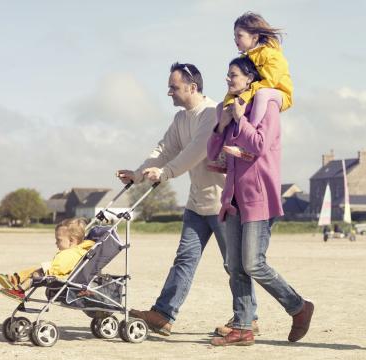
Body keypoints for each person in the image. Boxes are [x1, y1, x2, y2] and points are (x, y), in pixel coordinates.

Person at [116, 62, 258, 336]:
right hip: (196, 204)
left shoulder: (211, 112)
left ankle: (248, 318)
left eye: (174, 87)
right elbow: (164, 149)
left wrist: (166, 173)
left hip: (223, 203)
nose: (169, 92)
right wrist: (138, 174)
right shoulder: (181, 119)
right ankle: (163, 314)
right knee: (184, 259)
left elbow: (198, 150)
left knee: (234, 264)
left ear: (192, 87)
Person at [207, 57, 313, 346]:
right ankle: (243, 327)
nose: (229, 80)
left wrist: (241, 119)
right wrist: (222, 125)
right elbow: (212, 155)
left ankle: (299, 307)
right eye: (227, 75)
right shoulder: (227, 110)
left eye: (234, 75)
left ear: (250, 78)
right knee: (235, 264)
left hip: (259, 196)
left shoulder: (266, 107)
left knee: (253, 262)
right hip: (232, 199)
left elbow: (259, 145)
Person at [207, 11, 293, 172]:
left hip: (279, 93)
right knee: (221, 107)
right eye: (234, 36)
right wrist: (229, 104)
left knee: (262, 94)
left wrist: (243, 99)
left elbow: (269, 82)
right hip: (259, 92)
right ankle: (224, 155)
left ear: (254, 37)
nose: (235, 40)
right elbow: (241, 87)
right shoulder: (248, 58)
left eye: (239, 35)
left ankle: (248, 138)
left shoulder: (272, 55)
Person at [0, 218, 93, 301]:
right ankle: (15, 279)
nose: (56, 243)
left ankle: (19, 290)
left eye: (59, 240)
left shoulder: (72, 253)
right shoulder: (76, 251)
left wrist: (47, 270)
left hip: (61, 277)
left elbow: (61, 266)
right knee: (35, 270)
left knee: (37, 273)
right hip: (59, 273)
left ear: (72, 241)